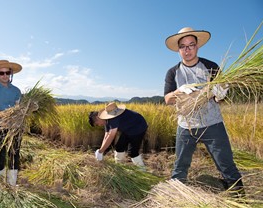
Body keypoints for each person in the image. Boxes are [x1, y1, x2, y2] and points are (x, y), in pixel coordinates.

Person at [163, 27, 244, 195]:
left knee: (227, 165)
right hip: (186, 126)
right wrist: (178, 91)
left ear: (197, 46)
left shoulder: (210, 66)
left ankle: (240, 199)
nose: (187, 50)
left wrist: (221, 93)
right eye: (183, 46)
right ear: (178, 50)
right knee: (179, 168)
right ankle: (174, 200)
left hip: (212, 124)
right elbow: (167, 99)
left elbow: (219, 97)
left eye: (191, 45)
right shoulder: (173, 72)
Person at [88, 102, 148, 170]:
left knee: (132, 152)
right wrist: (100, 151)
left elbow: (111, 135)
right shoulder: (106, 119)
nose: (99, 125)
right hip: (128, 129)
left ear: (97, 118)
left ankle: (142, 171)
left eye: (97, 124)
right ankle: (119, 168)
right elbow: (106, 135)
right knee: (119, 148)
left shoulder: (113, 117)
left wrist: (101, 151)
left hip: (138, 127)